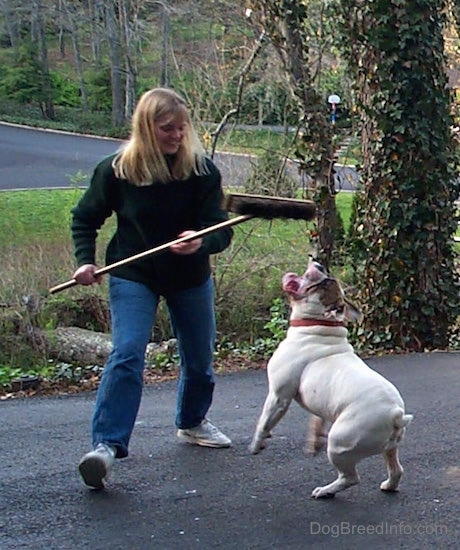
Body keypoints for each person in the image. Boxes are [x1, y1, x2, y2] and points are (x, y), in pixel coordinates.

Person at [71, 87, 233, 490]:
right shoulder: (116, 170)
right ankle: (106, 447)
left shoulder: (202, 172)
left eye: (182, 128)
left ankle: (192, 422)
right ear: (146, 128)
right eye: (166, 129)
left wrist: (201, 240)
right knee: (126, 353)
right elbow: (84, 217)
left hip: (189, 275)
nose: (177, 136)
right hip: (134, 273)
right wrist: (85, 261)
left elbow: (220, 230)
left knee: (199, 358)